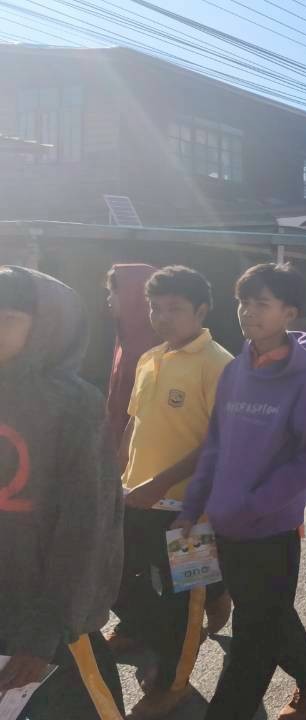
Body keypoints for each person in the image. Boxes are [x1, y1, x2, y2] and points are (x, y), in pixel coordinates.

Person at [174, 263, 306, 720]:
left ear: (289, 312)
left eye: (261, 303)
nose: (248, 312)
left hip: (270, 529)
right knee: (268, 615)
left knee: (253, 634)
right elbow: (216, 444)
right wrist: (193, 506)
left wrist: (253, 506)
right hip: (221, 524)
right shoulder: (234, 371)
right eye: (243, 302)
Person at [0, 266, 125, 720]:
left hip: (49, 623)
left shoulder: (74, 406)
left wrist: (47, 629)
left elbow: (86, 526)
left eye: (7, 319)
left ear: (48, 327)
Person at [112, 266, 234, 718]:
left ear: (201, 311)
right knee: (122, 577)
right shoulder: (149, 358)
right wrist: (116, 473)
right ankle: (207, 597)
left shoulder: (219, 364)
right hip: (135, 497)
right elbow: (135, 423)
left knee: (184, 600)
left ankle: (173, 686)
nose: (161, 317)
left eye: (174, 309)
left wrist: (160, 483)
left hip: (188, 506)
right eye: (155, 308)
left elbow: (221, 441)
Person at [104, 263, 158, 453]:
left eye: (114, 292)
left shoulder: (153, 352)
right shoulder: (124, 342)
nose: (108, 299)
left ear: (133, 296)